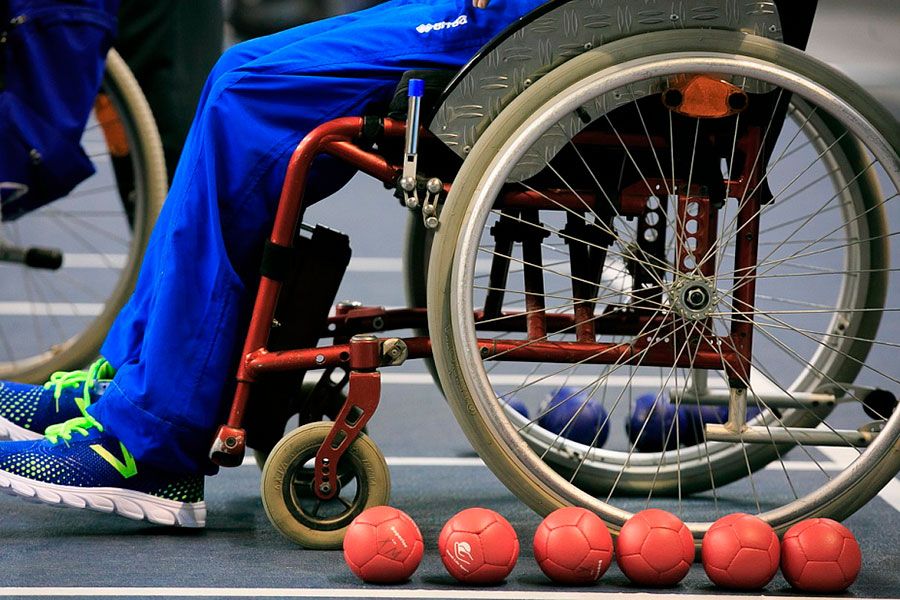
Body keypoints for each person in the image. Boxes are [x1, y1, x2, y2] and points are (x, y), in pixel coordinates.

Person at [0, 0, 544, 527]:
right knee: (234, 69)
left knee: (245, 101)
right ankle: (131, 381)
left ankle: (153, 439)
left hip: (522, 19)